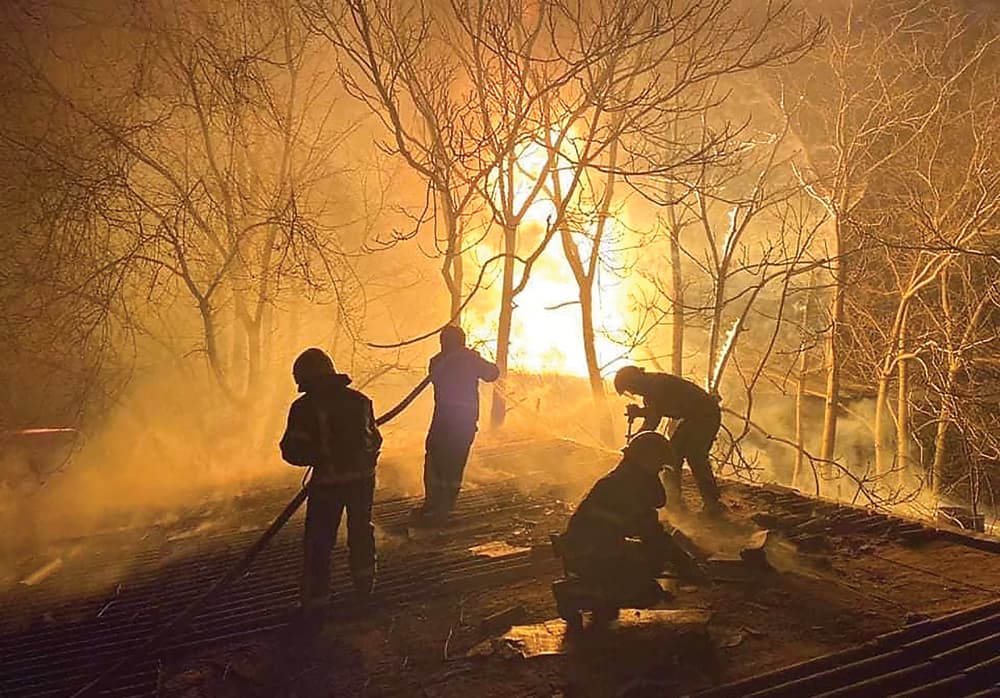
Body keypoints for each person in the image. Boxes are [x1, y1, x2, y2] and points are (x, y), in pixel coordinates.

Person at [279, 348, 383, 614]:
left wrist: (317, 457)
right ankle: (364, 586)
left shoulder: (303, 408)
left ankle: (316, 600)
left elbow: (292, 449)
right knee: (361, 531)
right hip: (362, 481)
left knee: (319, 541)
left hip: (328, 484)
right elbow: (375, 440)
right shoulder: (361, 401)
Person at [555, 431, 679, 607]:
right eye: (658, 467)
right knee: (641, 592)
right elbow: (651, 534)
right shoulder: (622, 487)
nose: (659, 472)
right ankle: (575, 593)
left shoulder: (622, 481)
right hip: (590, 553)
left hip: (595, 548)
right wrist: (682, 562)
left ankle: (601, 593)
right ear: (646, 463)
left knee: (647, 566)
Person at [413, 325, 499, 524]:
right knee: (454, 462)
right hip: (463, 422)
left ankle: (433, 502)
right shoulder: (469, 360)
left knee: (435, 459)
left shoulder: (436, 361)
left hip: (442, 420)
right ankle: (444, 506)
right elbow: (492, 373)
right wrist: (475, 356)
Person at [613, 365, 724, 515]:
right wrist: (640, 413)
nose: (632, 392)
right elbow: (656, 411)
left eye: (629, 388)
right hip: (694, 417)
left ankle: (712, 504)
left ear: (634, 381)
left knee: (695, 456)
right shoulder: (652, 386)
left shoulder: (655, 387)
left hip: (706, 416)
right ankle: (674, 502)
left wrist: (634, 444)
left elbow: (652, 422)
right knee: (673, 456)